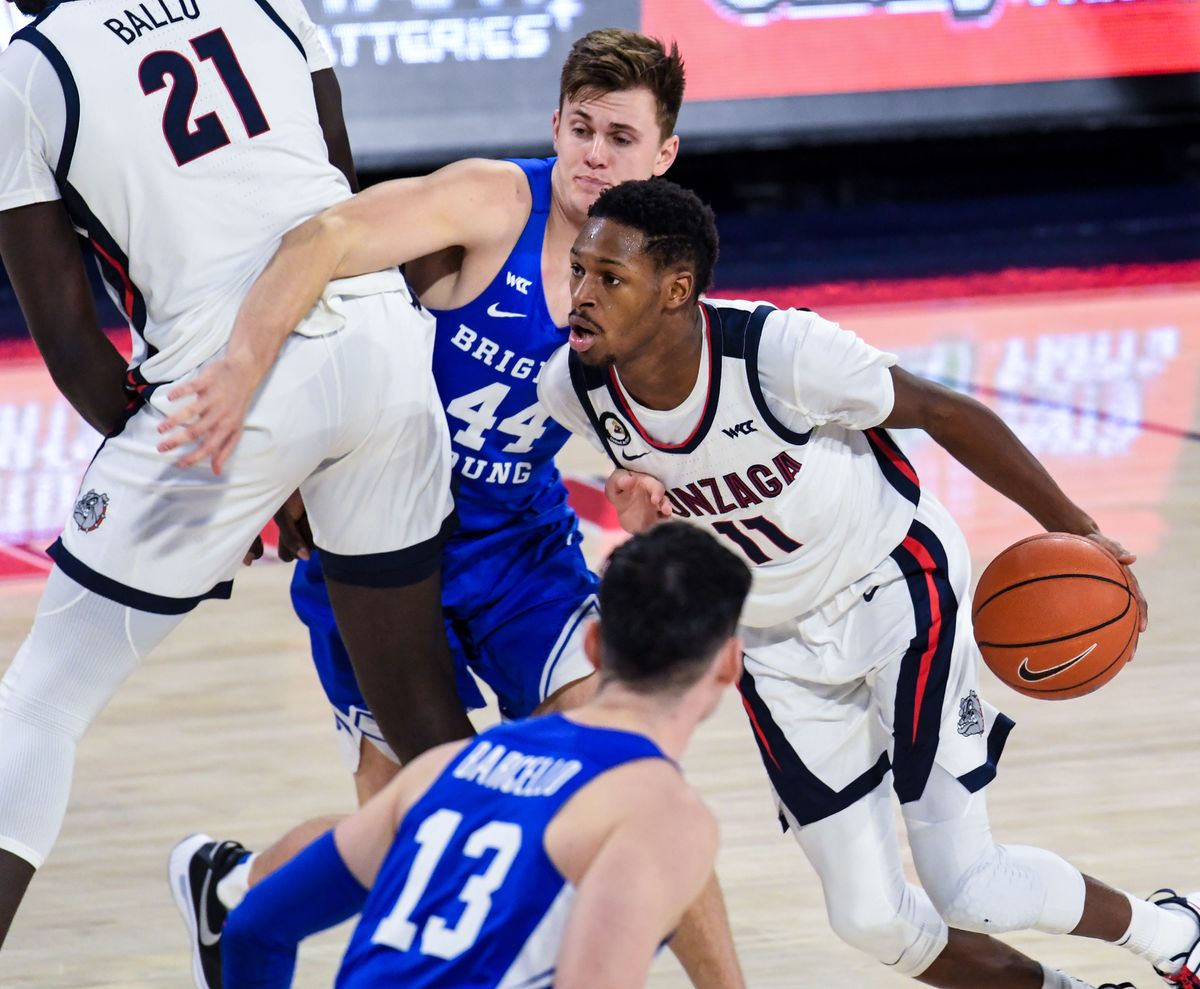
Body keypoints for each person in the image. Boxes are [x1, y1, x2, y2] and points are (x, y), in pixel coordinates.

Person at [535, 178, 1200, 989]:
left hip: (894, 584)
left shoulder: (776, 352)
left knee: (970, 884)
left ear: (676, 291)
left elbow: (946, 413)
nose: (581, 296)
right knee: (868, 917)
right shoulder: (574, 391)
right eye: (578, 271)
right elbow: (656, 515)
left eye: (610, 278)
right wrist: (638, 521)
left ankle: (1173, 929)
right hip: (774, 644)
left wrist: (1075, 524)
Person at [0, 0, 473, 949]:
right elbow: (344, 201)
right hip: (383, 347)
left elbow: (72, 347)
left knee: (44, 697)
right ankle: (525, 943)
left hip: (229, 384)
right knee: (418, 701)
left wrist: (245, 461)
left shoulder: (26, 67)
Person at [217, 522, 751, 989]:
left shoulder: (447, 767)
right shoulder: (663, 814)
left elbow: (250, 928)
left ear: (592, 645)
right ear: (730, 663)